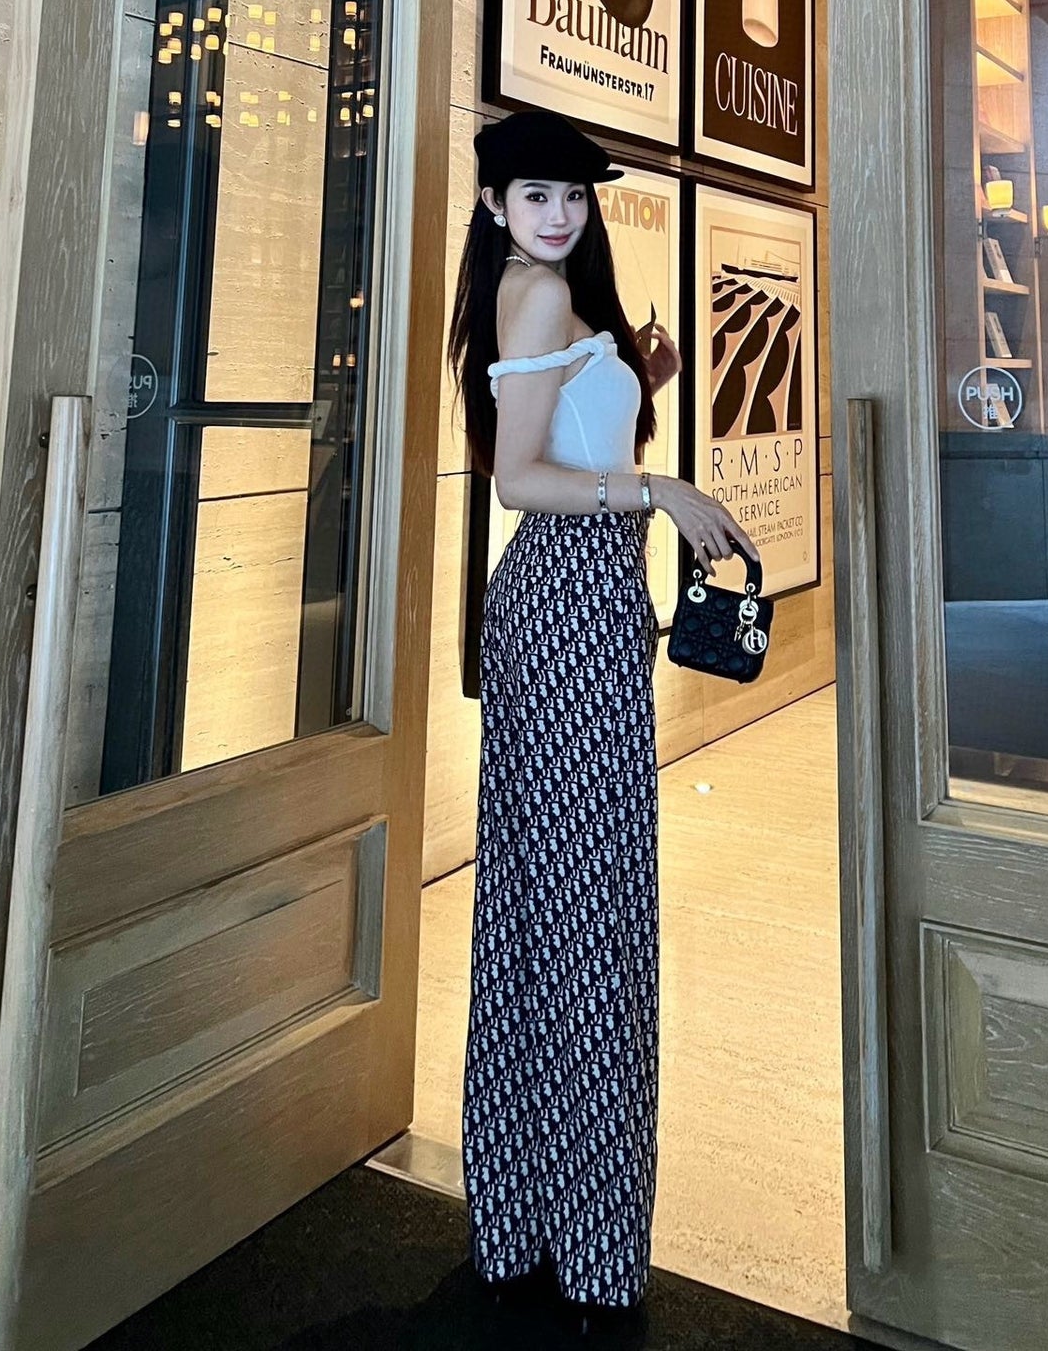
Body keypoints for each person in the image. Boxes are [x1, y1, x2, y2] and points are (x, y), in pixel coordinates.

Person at [447, 107, 755, 1329]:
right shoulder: (532, 294)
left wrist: (641, 385)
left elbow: (561, 443)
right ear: (495, 205)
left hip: (587, 609)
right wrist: (657, 485)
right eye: (536, 194)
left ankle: (538, 1221)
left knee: (568, 910)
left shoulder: (565, 300)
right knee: (583, 919)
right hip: (562, 610)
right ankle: (579, 1240)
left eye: (573, 195)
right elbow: (516, 480)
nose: (559, 214)